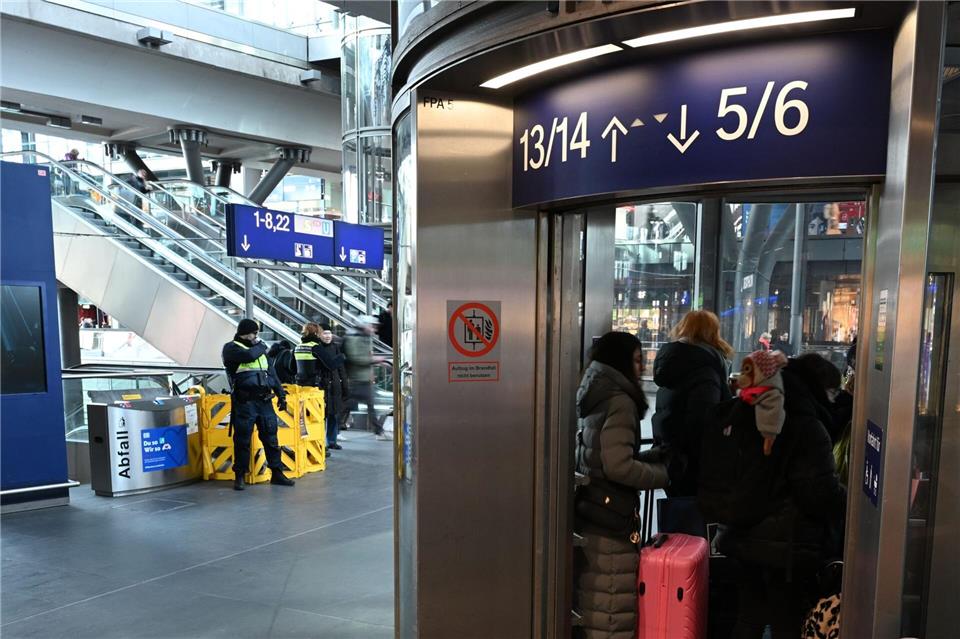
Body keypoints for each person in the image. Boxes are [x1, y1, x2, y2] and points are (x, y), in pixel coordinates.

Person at [707, 353, 847, 639]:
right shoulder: (808, 426)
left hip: (740, 532)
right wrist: (849, 500)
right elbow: (817, 493)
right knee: (786, 623)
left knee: (749, 618)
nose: (833, 400)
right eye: (832, 392)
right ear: (820, 388)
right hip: (786, 548)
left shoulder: (752, 409)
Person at [574, 331, 669, 638]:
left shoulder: (597, 392)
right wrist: (663, 474)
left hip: (594, 507)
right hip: (612, 513)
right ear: (621, 361)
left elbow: (605, 454)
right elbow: (618, 467)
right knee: (612, 603)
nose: (641, 367)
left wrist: (650, 456)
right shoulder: (620, 401)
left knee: (597, 599)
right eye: (638, 359)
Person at [651, 310, 733, 497]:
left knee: (681, 515)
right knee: (694, 519)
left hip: (670, 455)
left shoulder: (672, 362)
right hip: (694, 464)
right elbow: (703, 420)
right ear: (712, 333)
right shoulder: (705, 370)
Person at [221, 318, 294, 491]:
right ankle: (240, 476)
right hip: (245, 402)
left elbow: (272, 374)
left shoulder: (259, 351)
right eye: (254, 333)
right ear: (244, 333)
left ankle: (276, 473)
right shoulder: (231, 348)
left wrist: (281, 395)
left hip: (264, 401)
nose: (256, 336)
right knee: (242, 440)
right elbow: (249, 355)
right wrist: (261, 346)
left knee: (271, 439)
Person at [294, 322, 347, 451]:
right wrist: (342, 357)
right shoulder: (316, 347)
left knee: (307, 419)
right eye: (323, 332)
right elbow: (330, 365)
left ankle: (309, 446)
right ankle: (318, 446)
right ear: (317, 333)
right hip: (315, 388)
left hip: (301, 388)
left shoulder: (298, 347)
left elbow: (292, 367)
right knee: (318, 418)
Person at [344, 315, 389, 439]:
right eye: (372, 326)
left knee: (368, 405)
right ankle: (334, 430)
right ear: (364, 325)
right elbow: (356, 358)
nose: (374, 329)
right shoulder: (353, 338)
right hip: (355, 378)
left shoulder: (365, 337)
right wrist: (374, 360)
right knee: (347, 406)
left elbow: (366, 356)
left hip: (364, 378)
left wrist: (375, 363)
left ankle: (378, 431)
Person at [318, 326, 348, 450]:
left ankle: (332, 440)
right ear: (319, 335)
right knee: (321, 416)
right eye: (325, 333)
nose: (327, 336)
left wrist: (344, 384)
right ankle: (321, 442)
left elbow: (341, 367)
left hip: (335, 385)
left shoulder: (335, 347)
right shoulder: (317, 348)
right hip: (322, 385)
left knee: (333, 414)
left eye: (329, 333)